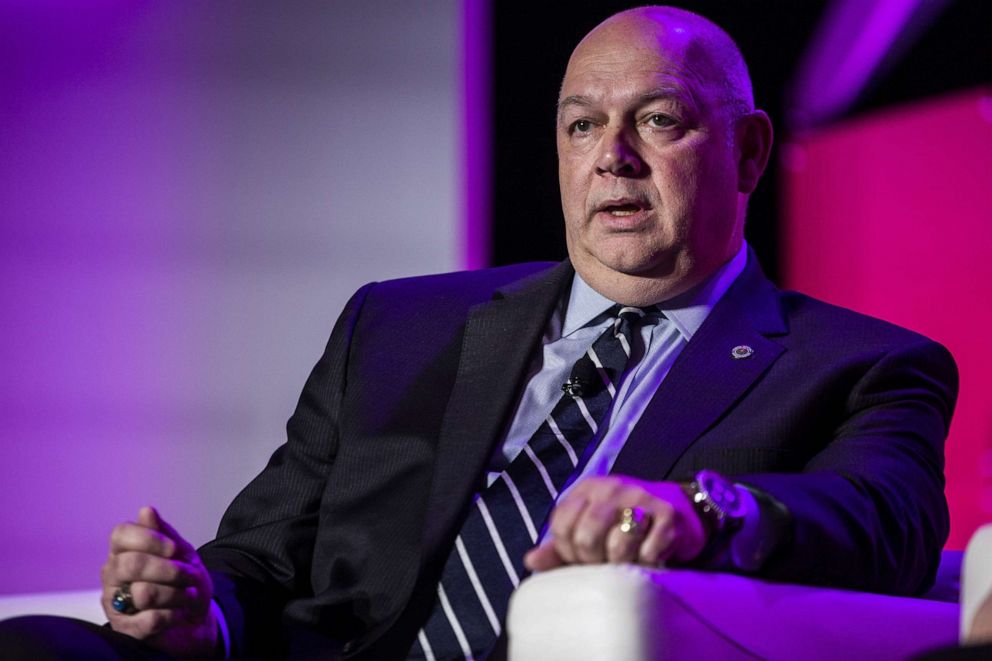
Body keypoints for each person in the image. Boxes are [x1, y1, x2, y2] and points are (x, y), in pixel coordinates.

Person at [0, 5, 957, 660]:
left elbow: (891, 527)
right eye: (582, 127)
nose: (612, 158)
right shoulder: (401, 324)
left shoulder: (860, 365)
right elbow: (262, 554)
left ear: (747, 151)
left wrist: (704, 511)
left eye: (657, 120)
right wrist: (192, 607)